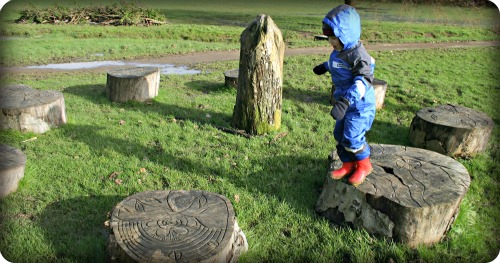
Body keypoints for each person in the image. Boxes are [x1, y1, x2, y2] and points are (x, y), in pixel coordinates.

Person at [313, 4, 376, 187]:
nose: (330, 42)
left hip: (359, 105)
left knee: (352, 136)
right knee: (339, 134)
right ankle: (348, 164)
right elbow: (338, 63)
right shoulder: (340, 50)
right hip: (345, 102)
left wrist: (346, 101)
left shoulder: (359, 56)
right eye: (329, 38)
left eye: (333, 38)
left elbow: (363, 81)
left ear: (346, 35)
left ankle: (364, 165)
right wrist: (325, 66)